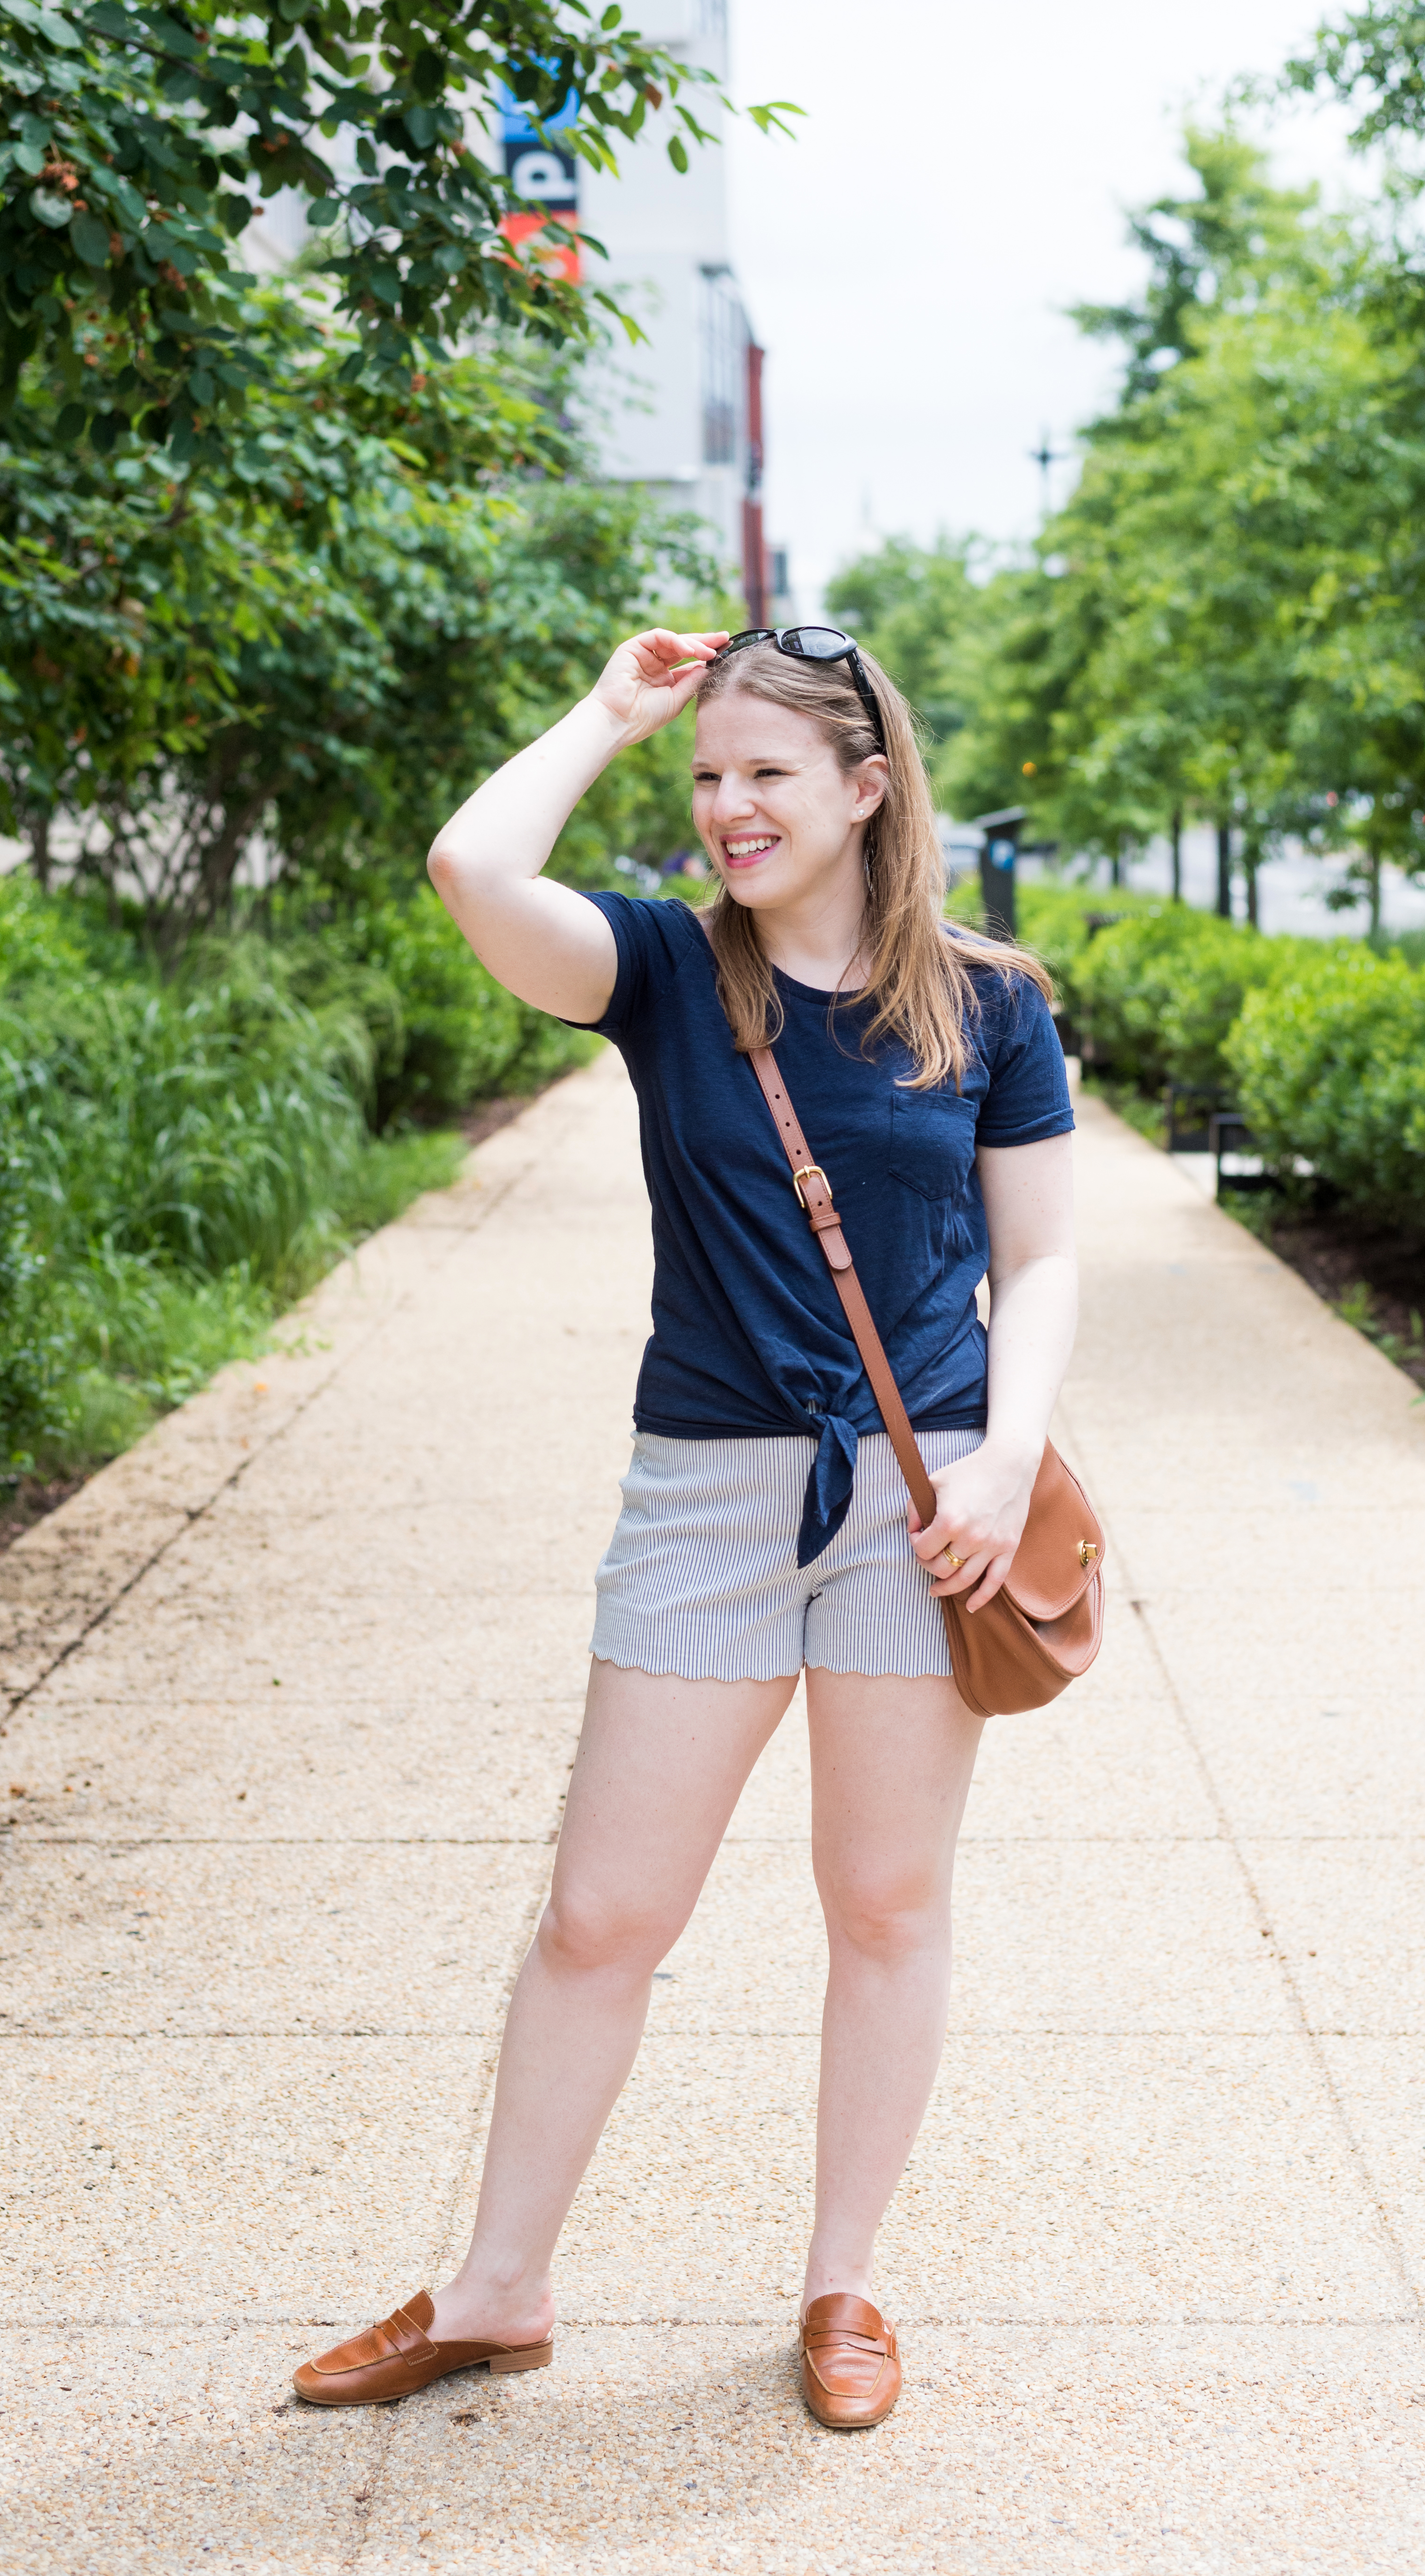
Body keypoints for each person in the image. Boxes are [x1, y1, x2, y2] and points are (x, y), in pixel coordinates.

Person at [292, 624, 1079, 2430]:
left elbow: (1039, 1259)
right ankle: (498, 2288)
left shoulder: (989, 1002)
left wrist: (1004, 1460)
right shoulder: (659, 967)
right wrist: (610, 710)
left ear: (868, 791)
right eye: (708, 776)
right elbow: (474, 869)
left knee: (884, 1902)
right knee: (600, 1912)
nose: (725, 807)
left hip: (922, 1500)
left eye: (766, 775)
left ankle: (843, 2284)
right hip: (707, 1492)